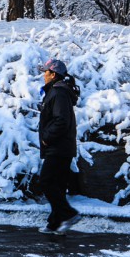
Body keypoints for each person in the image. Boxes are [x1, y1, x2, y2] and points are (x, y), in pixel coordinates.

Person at [37, 58, 81, 235]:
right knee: (57, 184)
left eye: (45, 72)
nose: (43, 75)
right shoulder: (57, 91)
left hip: (58, 146)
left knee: (46, 181)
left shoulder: (58, 92)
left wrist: (47, 138)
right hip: (60, 146)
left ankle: (69, 214)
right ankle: (55, 223)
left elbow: (61, 120)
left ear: (53, 74)